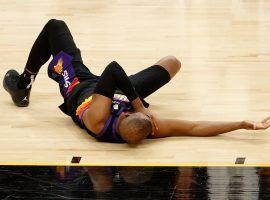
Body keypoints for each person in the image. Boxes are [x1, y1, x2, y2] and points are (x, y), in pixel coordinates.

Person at [3, 19, 270, 144]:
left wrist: (138, 104)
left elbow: (113, 69)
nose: (129, 109)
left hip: (81, 87)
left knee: (55, 27)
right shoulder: (146, 126)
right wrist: (241, 124)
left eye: (129, 110)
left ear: (121, 118)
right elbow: (195, 127)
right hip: (118, 88)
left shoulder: (98, 120)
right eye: (132, 109)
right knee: (172, 63)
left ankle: (23, 84)